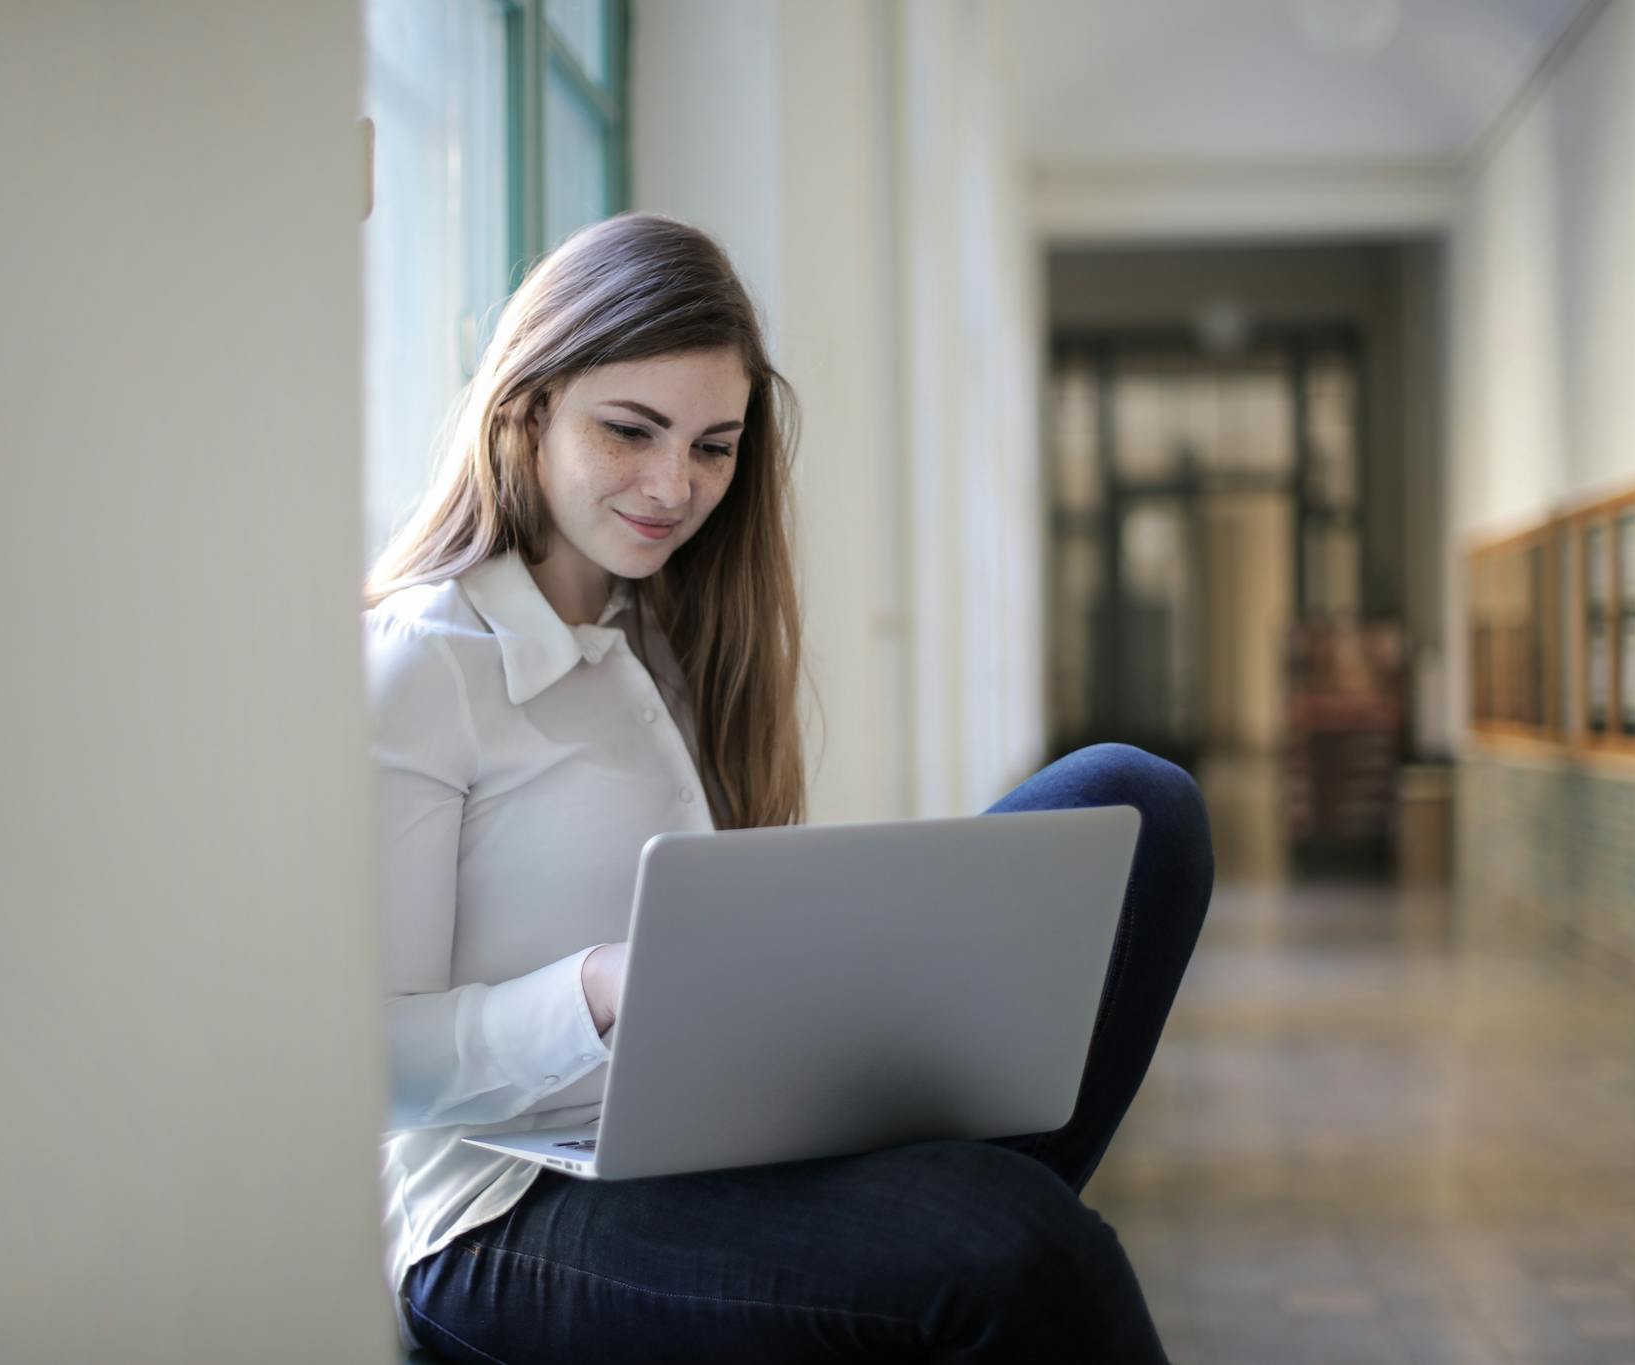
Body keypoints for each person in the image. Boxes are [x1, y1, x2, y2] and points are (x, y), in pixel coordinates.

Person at [363, 212, 1214, 1363]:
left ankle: (955, 1249)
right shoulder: (425, 660)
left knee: (1136, 800)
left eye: (713, 446)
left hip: (702, 1127)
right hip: (498, 1216)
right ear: (526, 413)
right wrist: (602, 988)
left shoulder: (657, 633)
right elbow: (375, 1060)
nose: (674, 485)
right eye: (630, 431)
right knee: (1016, 1243)